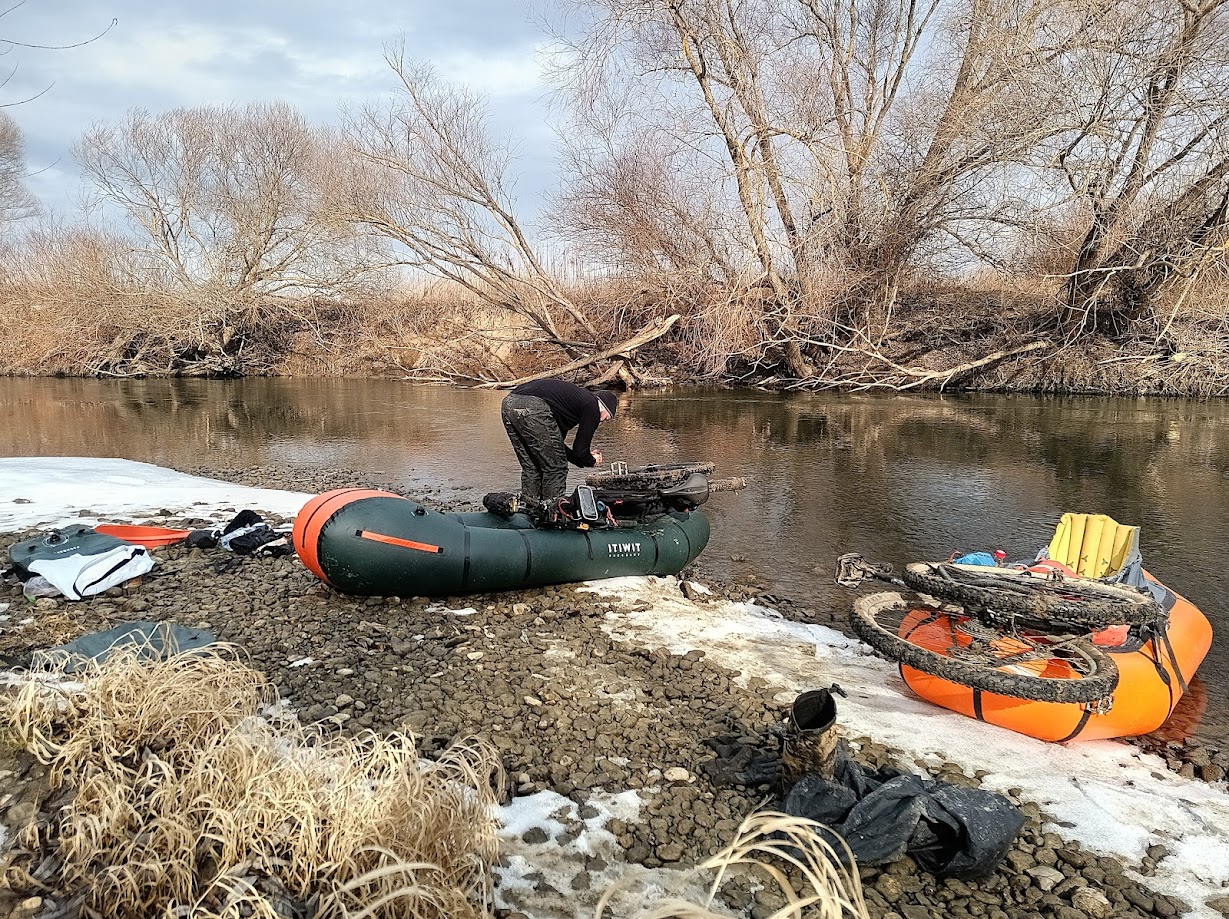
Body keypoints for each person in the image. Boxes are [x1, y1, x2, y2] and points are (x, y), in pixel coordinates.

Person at [500, 379, 619, 502]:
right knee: (556, 468)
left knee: (532, 465)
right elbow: (580, 450)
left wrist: (581, 460)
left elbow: (558, 447)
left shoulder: (570, 405)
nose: (601, 421)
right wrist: (591, 460)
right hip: (533, 407)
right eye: (606, 418)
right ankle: (554, 512)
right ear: (605, 408)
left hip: (509, 403)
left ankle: (529, 508)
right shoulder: (592, 406)